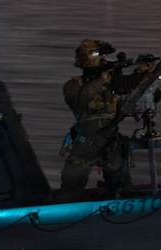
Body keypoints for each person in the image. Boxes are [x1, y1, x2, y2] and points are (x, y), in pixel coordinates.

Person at [58, 39, 155, 202]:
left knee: (121, 187)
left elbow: (126, 85)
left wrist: (144, 69)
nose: (102, 58)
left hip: (112, 145)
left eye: (103, 54)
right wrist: (101, 80)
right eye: (97, 54)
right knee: (71, 184)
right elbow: (79, 102)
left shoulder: (111, 81)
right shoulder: (73, 85)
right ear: (84, 58)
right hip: (84, 145)